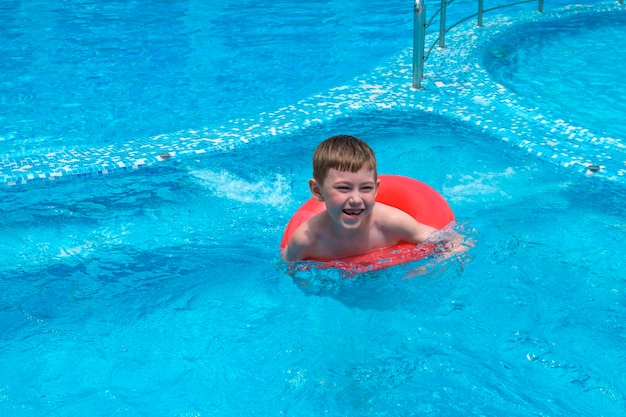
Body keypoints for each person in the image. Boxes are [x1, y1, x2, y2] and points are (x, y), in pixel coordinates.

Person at [282, 134, 444, 262]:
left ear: (376, 189)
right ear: (317, 190)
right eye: (344, 188)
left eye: (366, 188)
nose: (356, 199)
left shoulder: (392, 223)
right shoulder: (307, 240)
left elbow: (451, 242)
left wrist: (427, 268)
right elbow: (287, 266)